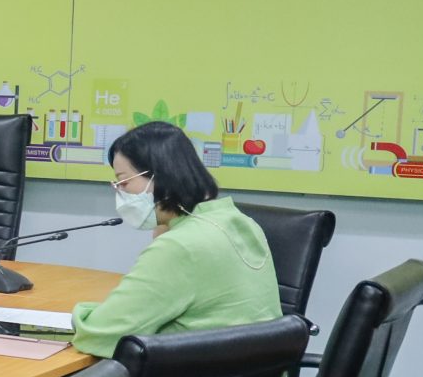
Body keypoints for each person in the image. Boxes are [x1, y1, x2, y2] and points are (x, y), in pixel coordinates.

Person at [71, 120, 280, 358]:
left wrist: (80, 314)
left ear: (160, 175)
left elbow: (99, 333)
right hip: (255, 374)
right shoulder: (240, 222)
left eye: (124, 181)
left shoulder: (180, 246)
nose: (121, 191)